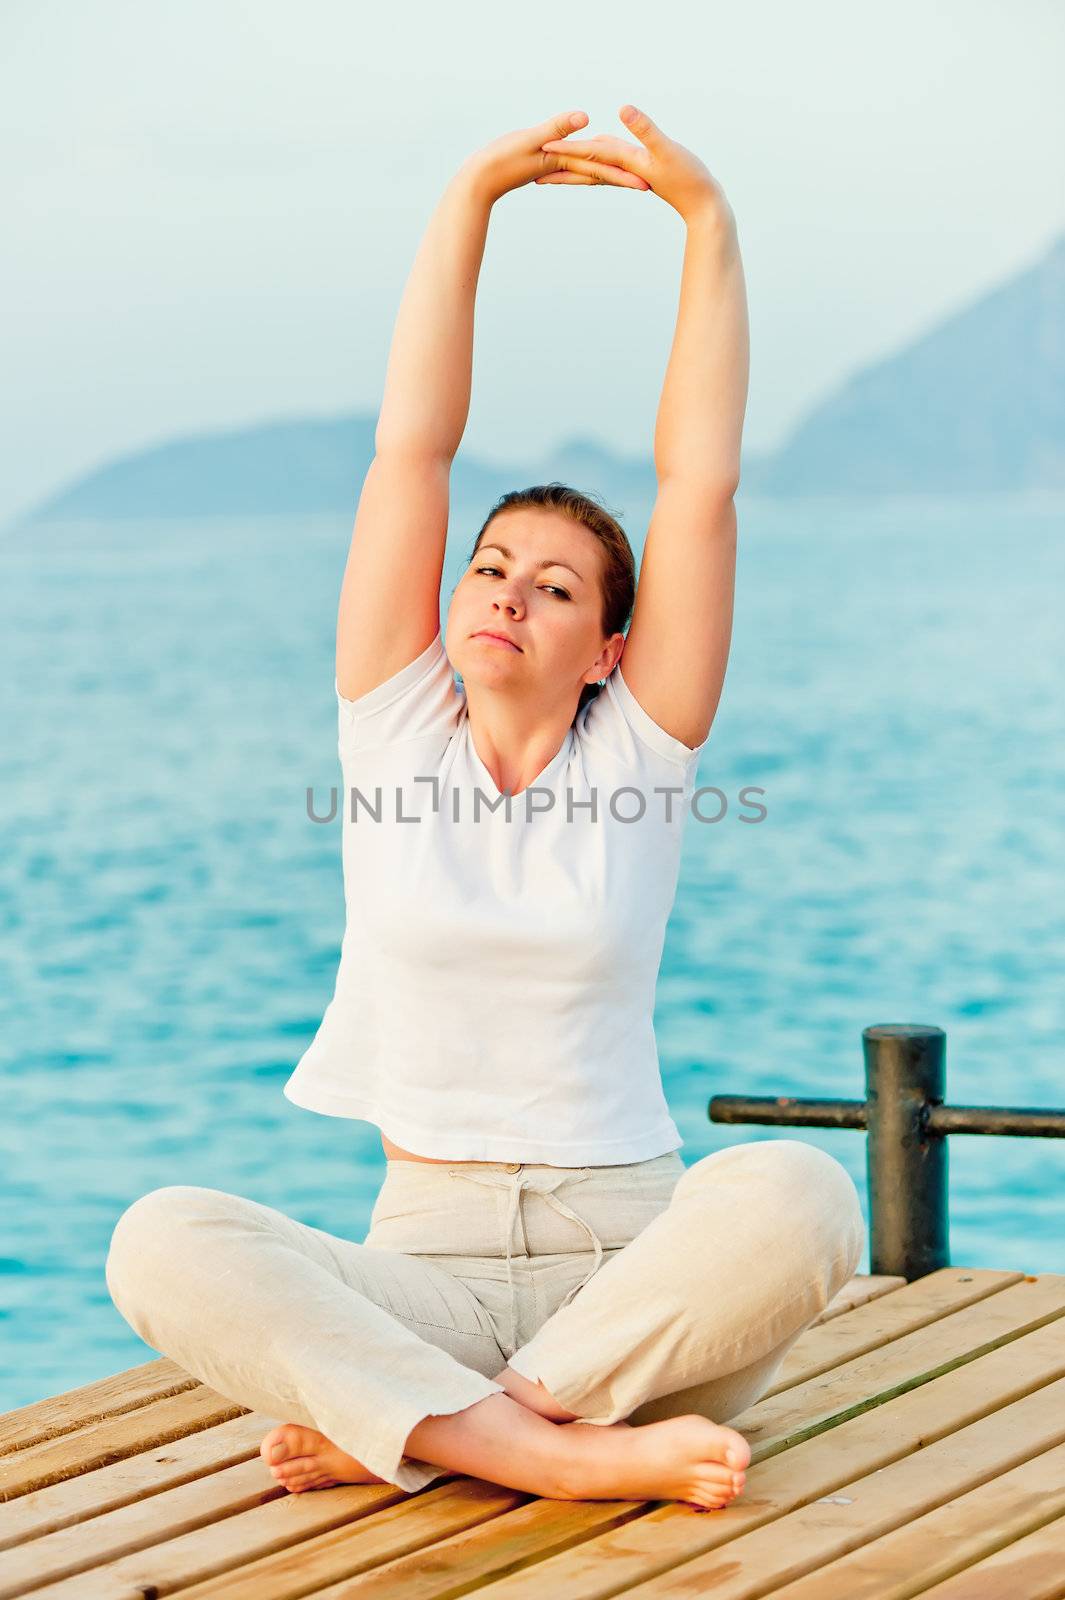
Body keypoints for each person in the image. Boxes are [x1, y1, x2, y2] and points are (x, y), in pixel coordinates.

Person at [105, 104, 864, 1512]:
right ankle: (531, 1448)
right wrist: (471, 198)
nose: (508, 591)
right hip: (424, 1277)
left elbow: (699, 482)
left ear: (612, 650)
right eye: (490, 567)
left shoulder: (637, 759)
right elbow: (412, 451)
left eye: (557, 586)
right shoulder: (392, 728)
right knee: (161, 1237)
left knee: (805, 1197)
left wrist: (706, 225)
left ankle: (447, 1435)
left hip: (638, 1288)